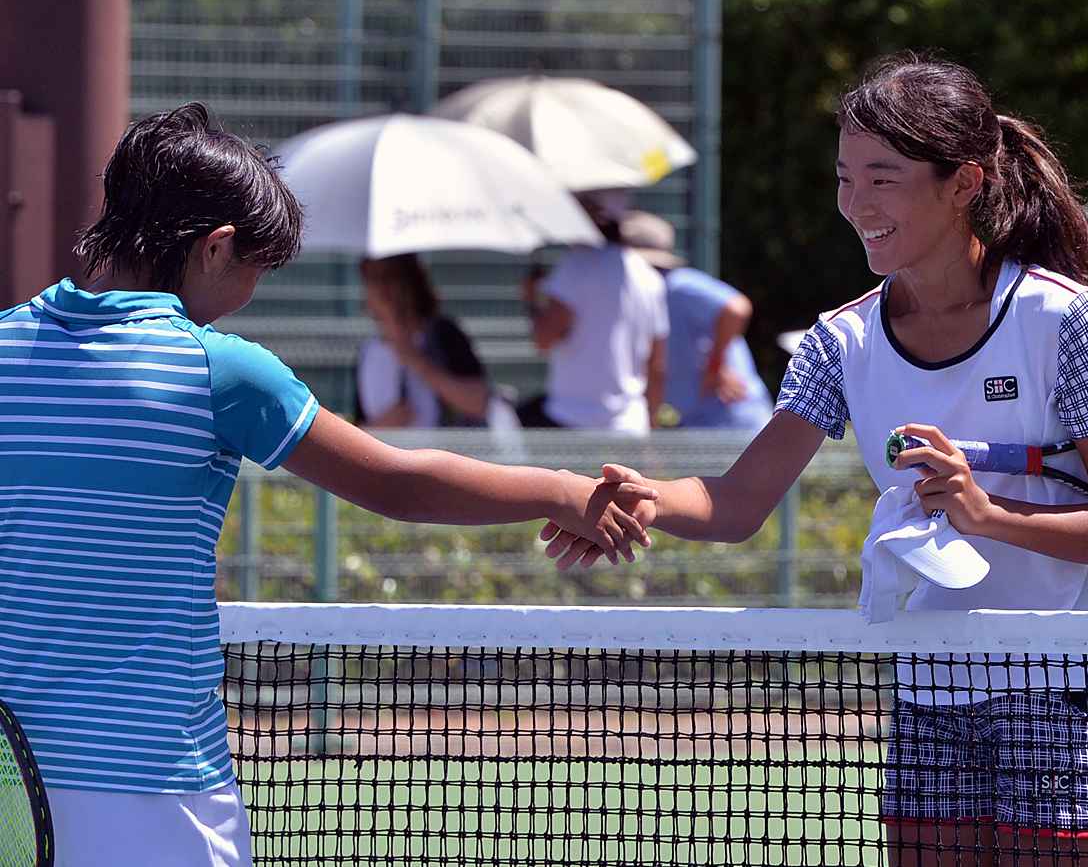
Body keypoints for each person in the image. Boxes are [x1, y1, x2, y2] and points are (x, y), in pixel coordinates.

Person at [539, 52, 1088, 866]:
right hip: (934, 684)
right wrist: (646, 500)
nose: (857, 203)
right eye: (845, 178)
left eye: (883, 178)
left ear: (964, 183)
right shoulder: (839, 342)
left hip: (1069, 682)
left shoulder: (1062, 320)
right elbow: (739, 501)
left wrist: (990, 516)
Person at [0, 102, 653, 867]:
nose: (252, 291)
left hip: (10, 789)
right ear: (216, 248)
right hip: (157, 794)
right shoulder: (219, 369)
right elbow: (398, 483)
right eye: (257, 269)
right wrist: (559, 491)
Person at [518, 189, 669, 435]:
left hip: (573, 423)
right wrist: (651, 425)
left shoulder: (577, 265)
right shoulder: (649, 277)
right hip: (632, 426)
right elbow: (657, 365)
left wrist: (532, 300)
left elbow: (543, 339)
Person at [619, 210, 773, 430]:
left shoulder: (679, 284)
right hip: (700, 425)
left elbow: (736, 308)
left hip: (733, 421)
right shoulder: (647, 296)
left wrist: (716, 365)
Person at [355, 253, 488, 428]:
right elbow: (359, 425)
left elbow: (479, 402)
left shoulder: (442, 334)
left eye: (389, 277)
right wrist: (382, 426)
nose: (383, 289)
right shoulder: (369, 352)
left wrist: (415, 360)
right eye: (373, 279)